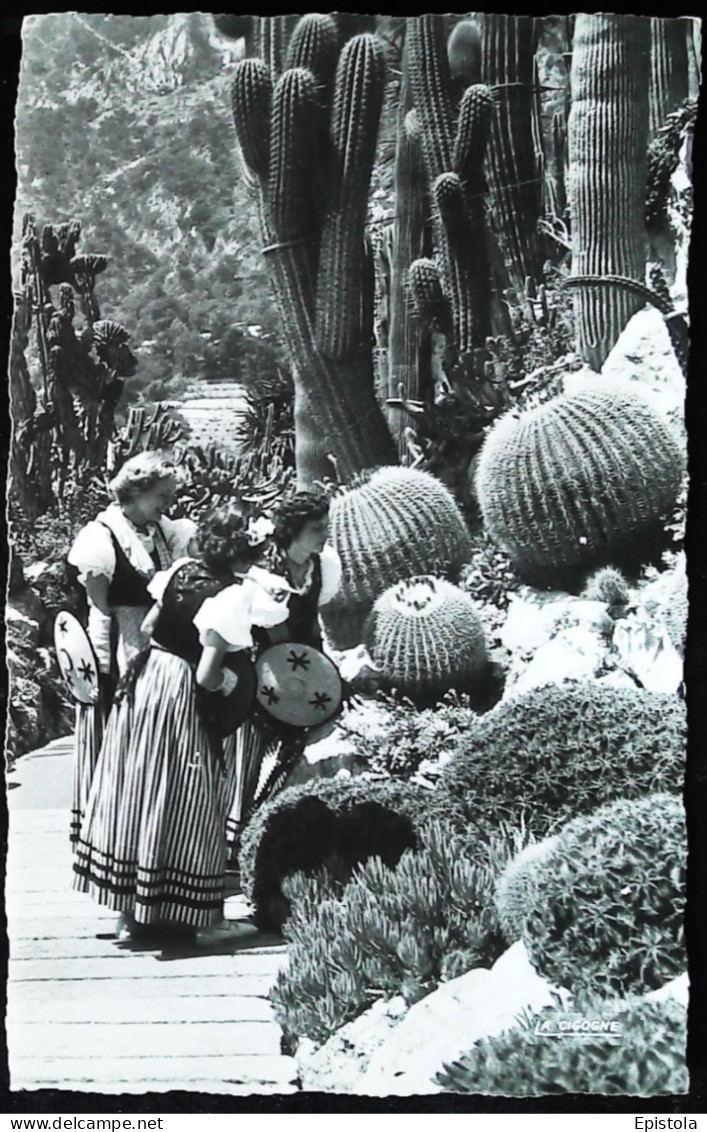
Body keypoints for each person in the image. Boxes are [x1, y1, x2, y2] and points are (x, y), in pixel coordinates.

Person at [72, 500, 290, 945]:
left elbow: (151, 627)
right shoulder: (230, 596)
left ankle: (133, 915)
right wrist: (235, 681)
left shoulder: (180, 570)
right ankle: (203, 918)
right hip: (183, 696)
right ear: (245, 552)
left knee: (141, 788)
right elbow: (210, 674)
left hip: (150, 679)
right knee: (189, 796)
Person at [66, 452, 195, 847]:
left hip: (158, 641)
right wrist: (120, 644)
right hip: (122, 639)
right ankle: (109, 824)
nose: (166, 503)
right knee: (119, 723)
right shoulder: (102, 536)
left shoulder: (164, 531)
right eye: (160, 495)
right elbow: (98, 600)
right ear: (136, 492)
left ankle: (148, 821)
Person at [223, 489, 343, 858]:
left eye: (326, 525)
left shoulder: (323, 566)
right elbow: (268, 630)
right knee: (252, 754)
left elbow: (315, 614)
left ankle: (277, 829)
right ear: (293, 530)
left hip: (308, 664)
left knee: (298, 748)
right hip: (264, 670)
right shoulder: (265, 574)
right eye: (316, 527)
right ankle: (236, 837)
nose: (324, 534)